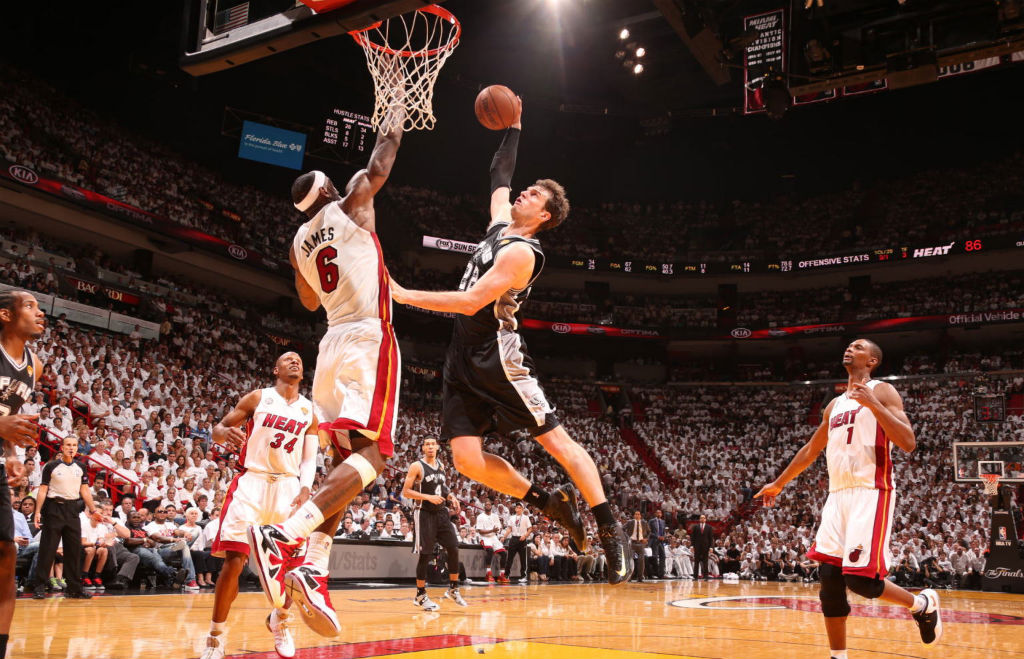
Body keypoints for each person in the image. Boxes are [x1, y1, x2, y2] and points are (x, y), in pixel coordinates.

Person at [389, 99, 632, 585]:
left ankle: (611, 531)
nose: (524, 193)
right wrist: (516, 125)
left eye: (534, 194)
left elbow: (469, 301)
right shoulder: (500, 226)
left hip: (497, 357)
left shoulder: (523, 252)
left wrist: (399, 293)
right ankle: (550, 503)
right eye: (528, 189)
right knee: (466, 461)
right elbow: (498, 175)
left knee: (558, 442)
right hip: (461, 358)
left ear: (544, 215)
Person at [248, 100, 406, 640]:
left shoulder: (297, 245)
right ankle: (286, 536)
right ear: (332, 191)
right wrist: (396, 111)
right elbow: (380, 163)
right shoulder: (355, 202)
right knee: (376, 454)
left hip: (329, 345)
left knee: (345, 470)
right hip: (366, 334)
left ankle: (312, 564)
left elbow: (309, 303)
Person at [756, 338, 942, 657]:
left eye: (858, 347)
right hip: (837, 496)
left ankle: (923, 604)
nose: (850, 349)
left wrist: (873, 404)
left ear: (871, 361)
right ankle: (837, 656)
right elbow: (811, 450)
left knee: (860, 582)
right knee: (829, 581)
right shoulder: (834, 405)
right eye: (849, 346)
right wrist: (779, 483)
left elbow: (908, 442)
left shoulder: (882, 390)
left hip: (870, 492)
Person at [201, 352, 319, 659]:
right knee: (233, 561)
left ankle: (280, 620)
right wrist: (223, 433)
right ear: (275, 369)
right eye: (288, 359)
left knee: (293, 569)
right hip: (251, 482)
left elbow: (309, 457)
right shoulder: (258, 398)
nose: (295, 361)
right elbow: (218, 428)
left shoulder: (310, 411)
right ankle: (215, 636)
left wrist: (306, 488)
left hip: (289, 488)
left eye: (299, 360)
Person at [0, 290, 45, 656]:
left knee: (6, 551)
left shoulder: (35, 364)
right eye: (29, 306)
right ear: (5, 314)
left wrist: (12, 453)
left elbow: (7, 421)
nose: (39, 312)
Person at [401, 437, 467, 611]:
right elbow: (406, 491)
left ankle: (453, 588)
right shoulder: (417, 466)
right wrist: (428, 497)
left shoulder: (441, 465)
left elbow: (442, 489)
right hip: (424, 514)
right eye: (427, 444)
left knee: (453, 547)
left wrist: (451, 497)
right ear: (423, 447)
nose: (430, 446)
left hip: (442, 513)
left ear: (438, 447)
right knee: (426, 555)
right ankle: (420, 595)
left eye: (432, 444)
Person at [32, 435, 99, 600]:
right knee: (48, 549)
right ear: (62, 447)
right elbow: (42, 490)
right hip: (54, 508)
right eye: (68, 445)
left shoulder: (81, 467)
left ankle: (74, 588)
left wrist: (93, 509)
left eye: (75, 445)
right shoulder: (51, 466)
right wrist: (38, 511)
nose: (71, 448)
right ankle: (39, 586)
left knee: (74, 550)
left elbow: (84, 490)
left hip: (72, 510)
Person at [502, 502, 533, 582]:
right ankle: (506, 575)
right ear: (515, 509)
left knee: (523, 559)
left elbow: (530, 529)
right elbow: (509, 529)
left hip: (522, 539)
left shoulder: (526, 517)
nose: (518, 508)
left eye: (520, 507)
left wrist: (525, 536)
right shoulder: (512, 518)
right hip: (514, 538)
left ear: (522, 509)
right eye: (517, 507)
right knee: (509, 558)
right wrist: (504, 536)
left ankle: (523, 576)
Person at [625, 511, 649, 582]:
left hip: (641, 543)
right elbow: (623, 529)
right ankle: (629, 577)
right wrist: (627, 538)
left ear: (640, 516)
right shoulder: (630, 522)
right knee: (630, 561)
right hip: (632, 543)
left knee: (641, 561)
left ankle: (640, 577)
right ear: (634, 516)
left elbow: (649, 532)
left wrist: (646, 538)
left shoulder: (644, 522)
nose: (637, 515)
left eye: (638, 514)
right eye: (636, 514)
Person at [690, 515, 714, 580]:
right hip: (697, 546)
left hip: (706, 547)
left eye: (704, 518)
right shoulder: (695, 527)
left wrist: (711, 547)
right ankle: (695, 576)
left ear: (705, 519)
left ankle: (706, 576)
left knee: (705, 562)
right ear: (699, 519)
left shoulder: (709, 527)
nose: (702, 519)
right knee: (696, 562)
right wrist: (692, 546)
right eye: (701, 518)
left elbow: (711, 538)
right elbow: (692, 537)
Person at [648, 508, 667, 579]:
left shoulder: (663, 521)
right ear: (655, 514)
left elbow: (663, 531)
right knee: (654, 557)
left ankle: (661, 574)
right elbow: (649, 532)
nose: (659, 514)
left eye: (660, 513)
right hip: (654, 541)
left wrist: (663, 537)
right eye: (658, 513)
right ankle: (654, 573)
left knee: (663, 557)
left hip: (661, 541)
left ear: (661, 514)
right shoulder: (651, 521)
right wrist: (657, 536)